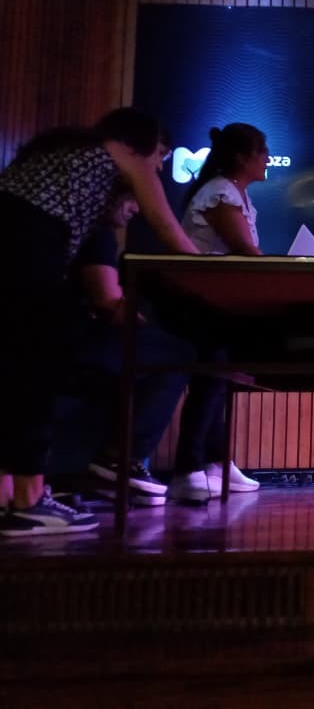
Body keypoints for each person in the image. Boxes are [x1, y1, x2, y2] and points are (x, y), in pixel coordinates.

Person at [0, 108, 199, 537]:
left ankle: (13, 499)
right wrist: (208, 272)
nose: (157, 169)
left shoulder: (61, 158)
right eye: (158, 157)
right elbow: (165, 224)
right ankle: (30, 503)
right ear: (135, 144)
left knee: (17, 375)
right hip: (26, 261)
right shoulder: (113, 157)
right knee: (36, 373)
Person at [73, 181, 196, 507]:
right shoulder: (96, 233)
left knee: (161, 347)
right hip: (74, 341)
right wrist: (147, 322)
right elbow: (108, 301)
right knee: (178, 353)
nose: (137, 208)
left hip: (60, 338)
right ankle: (121, 458)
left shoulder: (80, 228)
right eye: (131, 199)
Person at [165, 123, 267, 503]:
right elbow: (244, 249)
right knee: (211, 376)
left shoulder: (235, 193)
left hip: (219, 302)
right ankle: (188, 467)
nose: (267, 159)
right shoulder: (221, 191)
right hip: (199, 302)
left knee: (218, 376)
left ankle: (214, 461)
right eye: (262, 151)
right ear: (242, 157)